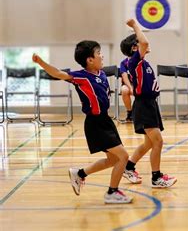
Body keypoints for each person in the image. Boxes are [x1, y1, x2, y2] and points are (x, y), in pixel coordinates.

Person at [32, 41, 133, 204]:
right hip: (95, 123)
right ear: (89, 60)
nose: (102, 55)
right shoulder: (81, 77)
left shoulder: (101, 74)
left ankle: (79, 174)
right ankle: (112, 192)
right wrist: (41, 62)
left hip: (106, 121)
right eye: (98, 53)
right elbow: (58, 73)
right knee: (123, 157)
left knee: (113, 160)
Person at [121, 18, 177, 188]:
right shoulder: (134, 62)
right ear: (134, 48)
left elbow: (143, 43)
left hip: (150, 104)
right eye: (139, 42)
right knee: (158, 142)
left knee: (149, 143)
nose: (144, 42)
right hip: (144, 105)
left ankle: (128, 167)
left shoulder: (143, 63)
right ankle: (156, 177)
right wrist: (134, 26)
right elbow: (144, 42)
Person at [119, 35, 136, 122]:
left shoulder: (140, 60)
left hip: (139, 84)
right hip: (129, 84)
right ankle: (130, 112)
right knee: (125, 90)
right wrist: (131, 87)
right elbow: (125, 77)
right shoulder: (124, 63)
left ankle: (139, 112)